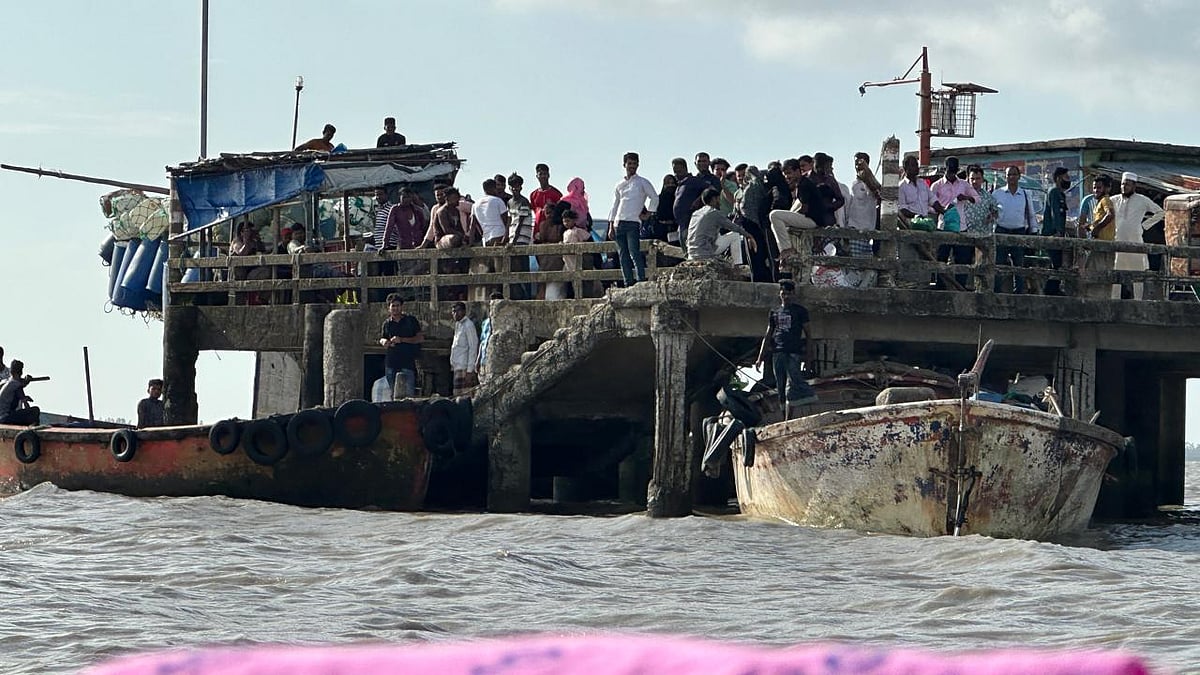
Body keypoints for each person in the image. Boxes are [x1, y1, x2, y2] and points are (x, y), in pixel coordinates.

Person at [755, 281, 818, 420]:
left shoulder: (800, 311)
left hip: (793, 353)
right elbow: (768, 335)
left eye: (789, 293)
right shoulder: (774, 312)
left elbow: (809, 336)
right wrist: (760, 358)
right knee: (780, 388)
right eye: (784, 293)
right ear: (780, 294)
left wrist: (809, 359)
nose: (786, 296)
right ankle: (785, 419)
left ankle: (789, 418)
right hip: (778, 353)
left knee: (792, 385)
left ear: (793, 294)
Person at [1109, 172, 1165, 300]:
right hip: (1118, 243)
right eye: (1123, 184)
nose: (1124, 187)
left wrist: (1144, 225)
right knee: (1115, 275)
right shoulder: (1113, 200)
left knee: (1138, 275)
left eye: (1127, 184)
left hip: (1136, 243)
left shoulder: (1142, 200)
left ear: (1134, 186)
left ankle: (1138, 302)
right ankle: (1114, 302)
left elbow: (1160, 212)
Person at [607, 152, 658, 287]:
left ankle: (641, 281)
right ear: (624, 165)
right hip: (619, 222)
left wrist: (648, 214)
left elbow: (654, 197)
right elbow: (615, 205)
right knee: (622, 255)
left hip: (633, 222)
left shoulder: (642, 182)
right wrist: (611, 225)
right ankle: (628, 282)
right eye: (629, 163)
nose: (632, 166)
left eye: (634, 164)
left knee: (634, 253)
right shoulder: (620, 184)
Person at [929, 156, 978, 289]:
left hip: (961, 227)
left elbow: (976, 198)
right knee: (941, 259)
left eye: (954, 171)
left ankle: (960, 287)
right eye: (950, 170)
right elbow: (929, 206)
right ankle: (941, 287)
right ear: (945, 169)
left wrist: (966, 197)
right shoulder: (936, 185)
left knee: (962, 260)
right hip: (943, 227)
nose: (952, 173)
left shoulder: (964, 184)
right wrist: (941, 209)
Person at [992, 165, 1038, 294]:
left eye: (1014, 174)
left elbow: (1030, 214)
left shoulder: (1025, 194)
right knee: (999, 263)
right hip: (1001, 231)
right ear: (1005, 177)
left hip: (1019, 232)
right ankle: (997, 292)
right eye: (1009, 175)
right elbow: (991, 212)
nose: (1011, 177)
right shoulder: (997, 193)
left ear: (1019, 176)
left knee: (1019, 264)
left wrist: (1034, 231)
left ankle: (1019, 292)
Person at [686, 188, 758, 261]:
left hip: (691, 254)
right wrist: (749, 236)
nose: (720, 203)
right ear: (714, 199)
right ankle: (737, 264)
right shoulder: (714, 213)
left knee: (717, 233)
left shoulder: (696, 213)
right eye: (718, 199)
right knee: (735, 235)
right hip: (704, 253)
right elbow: (733, 227)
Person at [673, 152, 721, 253]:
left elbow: (714, 193)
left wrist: (699, 199)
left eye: (704, 161)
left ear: (709, 162)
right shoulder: (692, 180)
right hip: (688, 221)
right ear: (695, 163)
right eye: (699, 161)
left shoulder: (714, 179)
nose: (702, 163)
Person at [378, 294, 423, 398]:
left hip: (407, 363)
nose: (395, 308)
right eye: (393, 306)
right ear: (389, 308)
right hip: (391, 364)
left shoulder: (410, 320)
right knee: (394, 396)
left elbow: (420, 338)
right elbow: (382, 338)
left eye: (397, 305)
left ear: (402, 307)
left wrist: (401, 339)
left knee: (409, 397)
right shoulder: (387, 324)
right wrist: (384, 341)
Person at [1041, 167, 1071, 295]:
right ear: (1058, 178)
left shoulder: (1061, 194)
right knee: (1055, 262)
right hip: (1052, 233)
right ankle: (1050, 290)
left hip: (1059, 233)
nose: (1068, 180)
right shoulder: (1054, 192)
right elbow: (1055, 214)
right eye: (1066, 177)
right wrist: (1058, 231)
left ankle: (1053, 288)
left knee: (1058, 262)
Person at [507, 173, 534, 300]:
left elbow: (520, 223)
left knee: (523, 267)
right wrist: (506, 238)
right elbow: (510, 221)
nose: (515, 189)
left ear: (521, 187)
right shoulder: (509, 202)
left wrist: (513, 241)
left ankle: (527, 297)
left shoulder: (524, 202)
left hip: (522, 238)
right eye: (513, 186)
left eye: (517, 186)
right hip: (512, 237)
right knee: (514, 268)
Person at [449, 302, 480, 397]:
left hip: (465, 367)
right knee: (457, 397)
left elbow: (473, 347)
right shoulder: (458, 325)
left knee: (465, 398)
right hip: (457, 367)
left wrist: (469, 371)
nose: (455, 314)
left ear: (464, 311)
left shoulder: (468, 325)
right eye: (453, 311)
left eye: (458, 311)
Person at [0, 360, 41, 426]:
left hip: (4, 417)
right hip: (5, 418)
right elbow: (22, 386)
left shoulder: (8, 382)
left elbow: (21, 385)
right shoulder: (15, 384)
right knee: (35, 410)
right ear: (21, 372)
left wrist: (26, 382)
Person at [530, 163, 563, 237]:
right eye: (540, 174)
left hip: (552, 230)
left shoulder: (556, 194)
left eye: (545, 174)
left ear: (548, 175)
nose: (543, 176)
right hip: (538, 228)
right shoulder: (533, 195)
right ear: (537, 176)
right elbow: (534, 211)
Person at [477, 291, 504, 378]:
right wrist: (478, 360)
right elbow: (482, 342)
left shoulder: (503, 323)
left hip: (495, 362)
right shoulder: (485, 323)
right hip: (484, 360)